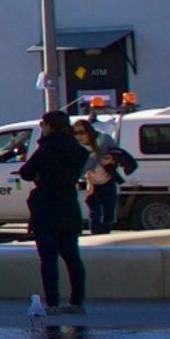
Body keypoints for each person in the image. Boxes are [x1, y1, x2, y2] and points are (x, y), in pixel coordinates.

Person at [18, 108, 90, 318]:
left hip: (47, 206)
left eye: (43, 125)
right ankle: (77, 302)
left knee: (48, 258)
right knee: (72, 257)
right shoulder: (76, 149)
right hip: (68, 205)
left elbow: (26, 172)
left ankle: (52, 303)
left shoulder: (47, 149)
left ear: (50, 126)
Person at [81, 118, 137, 234]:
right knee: (95, 211)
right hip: (89, 182)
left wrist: (111, 159)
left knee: (108, 210)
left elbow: (117, 153)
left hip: (107, 180)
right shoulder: (77, 144)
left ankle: (105, 233)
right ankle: (96, 235)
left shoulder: (105, 139)